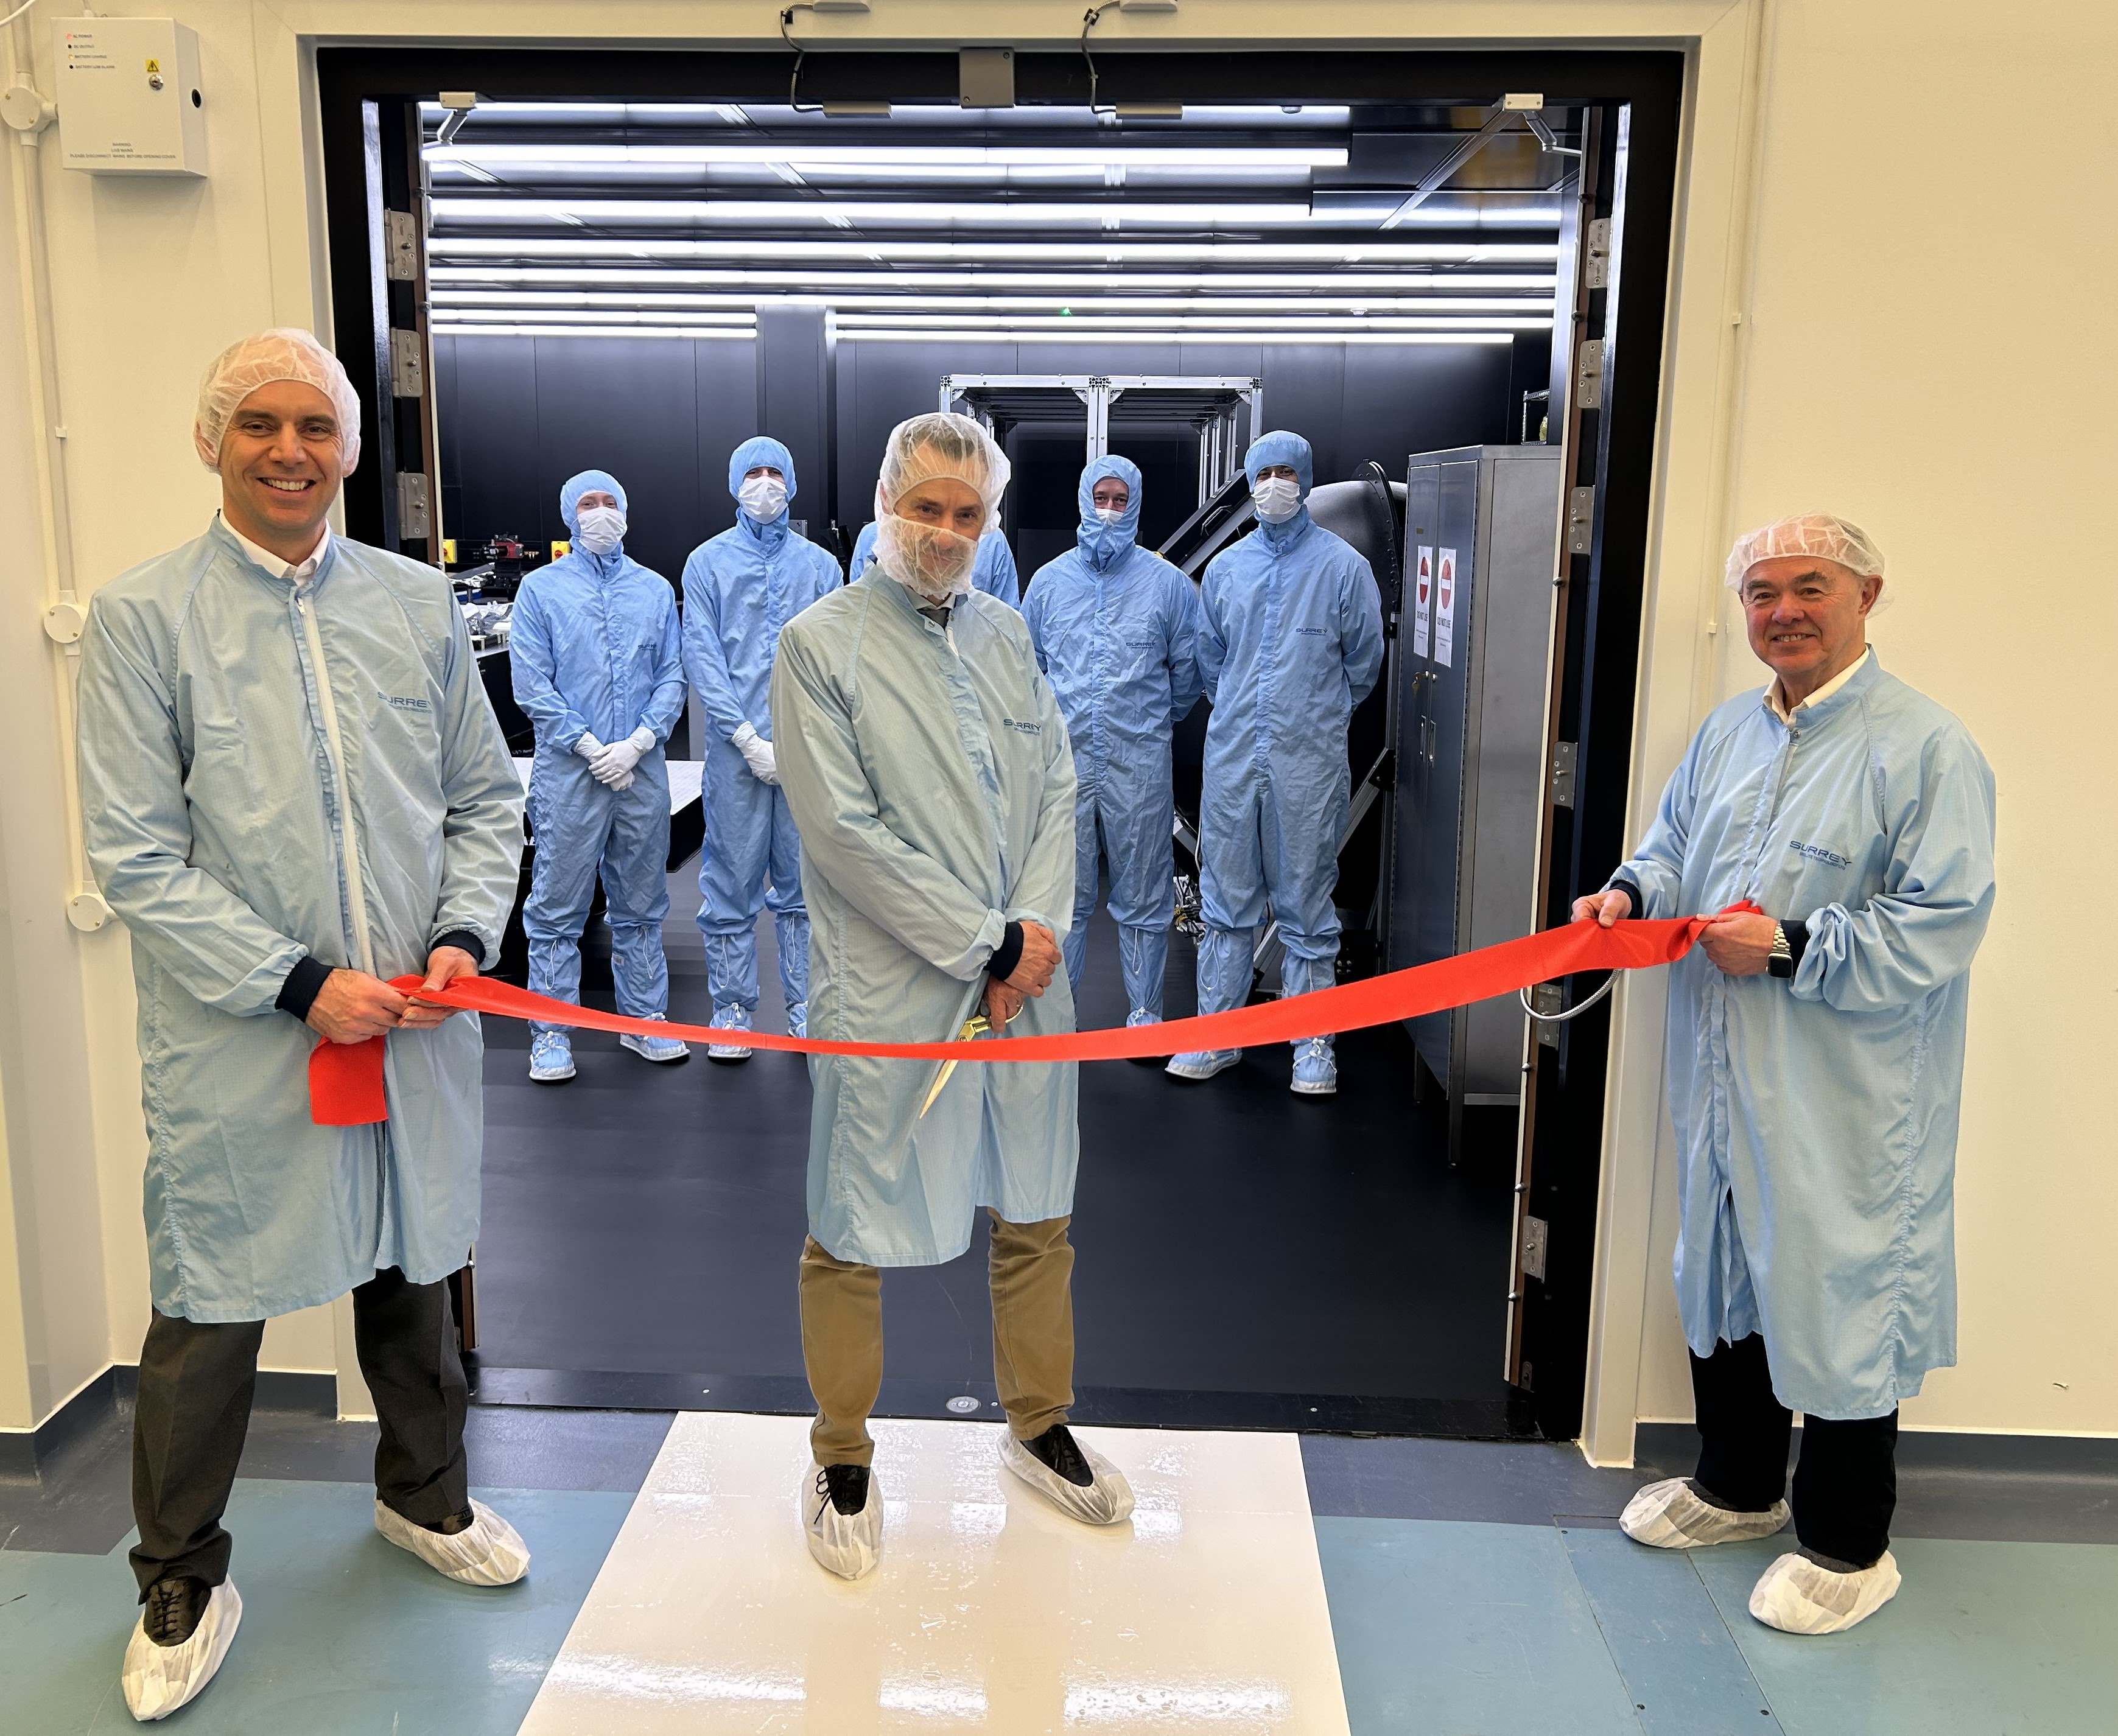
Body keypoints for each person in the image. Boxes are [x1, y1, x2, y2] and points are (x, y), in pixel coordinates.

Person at [75, 329, 530, 1723]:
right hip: (247, 1038)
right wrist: (296, 982)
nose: (291, 450)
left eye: (317, 428)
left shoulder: (410, 607)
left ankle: (426, 1497)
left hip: (406, 1021)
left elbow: (483, 797)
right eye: (261, 424)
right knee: (211, 1307)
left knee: (410, 1266)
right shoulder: (144, 620)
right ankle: (182, 1575)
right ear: (211, 441)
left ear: (348, 449)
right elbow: (135, 854)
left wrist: (458, 936)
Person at [1585, 513, 1996, 1636]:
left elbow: (1939, 922)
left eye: (1806, 587)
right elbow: (1674, 841)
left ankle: (1850, 1544)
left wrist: (1789, 942)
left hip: (1845, 1090)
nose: (1781, 612)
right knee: (1724, 1263)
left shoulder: (1923, 749)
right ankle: (1736, 1486)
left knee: (1839, 1284)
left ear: (1866, 592)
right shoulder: (1728, 733)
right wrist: (1628, 890)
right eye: (1760, 592)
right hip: (1722, 1068)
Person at [772, 411, 1134, 1583]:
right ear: (886, 504)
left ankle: (1036, 1421)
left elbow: (1052, 789)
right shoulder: (818, 645)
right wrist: (978, 936)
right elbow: (841, 834)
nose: (943, 530)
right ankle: (839, 1450)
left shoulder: (1006, 638)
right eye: (924, 506)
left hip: (1022, 981)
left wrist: (1030, 934)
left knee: (1036, 1207)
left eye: (965, 513)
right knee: (852, 1214)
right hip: (887, 985)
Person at [1166, 431, 1384, 1096]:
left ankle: (1311, 1046)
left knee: (1305, 905)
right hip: (1234, 759)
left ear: (1307, 478)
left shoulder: (1343, 567)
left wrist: (1311, 717)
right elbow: (1210, 662)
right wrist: (1249, 714)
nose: (1272, 485)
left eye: (1284, 472)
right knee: (1226, 901)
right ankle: (1216, 1034)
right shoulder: (1228, 570)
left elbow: (1364, 664)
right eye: (1261, 474)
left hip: (1307, 763)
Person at [511, 469, 690, 1082]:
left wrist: (638, 742)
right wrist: (589, 747)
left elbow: (672, 675)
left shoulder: (654, 590)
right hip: (570, 776)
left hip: (640, 773)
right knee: (558, 907)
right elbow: (532, 684)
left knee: (641, 902)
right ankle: (552, 1031)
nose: (600, 511)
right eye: (588, 503)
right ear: (569, 514)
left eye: (610, 501)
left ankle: (644, 1018)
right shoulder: (540, 592)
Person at [1021, 454, 1202, 1028]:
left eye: (1120, 501)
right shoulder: (1049, 584)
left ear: (1136, 505)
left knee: (1145, 891)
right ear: (1081, 500)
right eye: (1100, 498)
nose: (1108, 511)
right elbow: (1029, 671)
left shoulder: (1167, 586)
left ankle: (1145, 1013)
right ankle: (1057, 1017)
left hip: (1138, 762)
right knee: (1060, 895)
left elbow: (1189, 670)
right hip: (1063, 764)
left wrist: (1146, 722)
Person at [679, 437, 842, 1058]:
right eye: (754, 472)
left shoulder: (820, 567)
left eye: (776, 471)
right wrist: (746, 736)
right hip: (734, 753)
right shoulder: (706, 563)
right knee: (730, 879)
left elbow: (832, 662)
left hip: (806, 751)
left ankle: (805, 1009)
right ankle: (731, 1010)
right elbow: (703, 654)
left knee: (806, 885)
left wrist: (800, 739)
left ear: (793, 481)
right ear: (733, 482)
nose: (766, 482)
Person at [850, 514, 1020, 605]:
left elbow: (1006, 628)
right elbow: (860, 608)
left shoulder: (992, 540)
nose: (945, 541)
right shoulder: (872, 537)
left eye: (966, 513)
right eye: (926, 508)